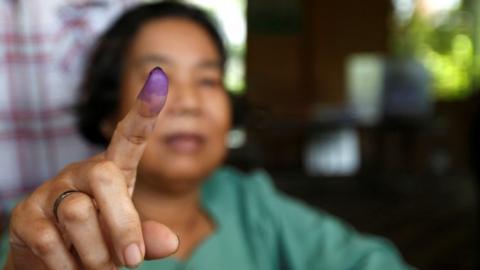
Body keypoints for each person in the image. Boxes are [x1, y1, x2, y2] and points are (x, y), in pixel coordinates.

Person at [1, 2, 413, 269]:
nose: (190, 102)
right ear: (109, 113)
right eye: (159, 78)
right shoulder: (54, 222)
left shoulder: (250, 201)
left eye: (208, 80)